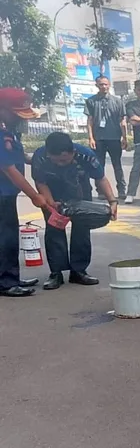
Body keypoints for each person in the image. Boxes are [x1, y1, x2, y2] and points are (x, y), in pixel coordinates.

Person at [30, 133, 117, 288]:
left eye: (64, 160)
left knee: (82, 230)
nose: (61, 164)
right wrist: (50, 202)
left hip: (80, 191)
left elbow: (101, 178)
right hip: (53, 192)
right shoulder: (40, 156)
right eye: (56, 161)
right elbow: (40, 181)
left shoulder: (86, 155)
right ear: (48, 153)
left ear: (72, 152)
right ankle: (56, 273)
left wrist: (112, 201)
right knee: (54, 230)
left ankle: (79, 271)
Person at [0, 88, 52, 297]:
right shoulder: (2, 135)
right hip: (2, 194)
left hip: (7, 193)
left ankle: (11, 277)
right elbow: (9, 169)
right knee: (6, 238)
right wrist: (34, 195)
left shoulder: (9, 131)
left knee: (9, 235)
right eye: (16, 114)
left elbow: (19, 158)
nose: (20, 119)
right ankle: (6, 282)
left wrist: (42, 159)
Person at [84, 75, 126, 199]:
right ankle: (101, 191)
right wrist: (91, 138)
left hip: (114, 137)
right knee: (98, 165)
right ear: (97, 85)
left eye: (106, 84)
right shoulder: (91, 101)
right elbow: (90, 120)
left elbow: (122, 120)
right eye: (101, 84)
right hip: (99, 138)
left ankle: (122, 190)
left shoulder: (118, 101)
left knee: (117, 165)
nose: (104, 86)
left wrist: (125, 137)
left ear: (109, 85)